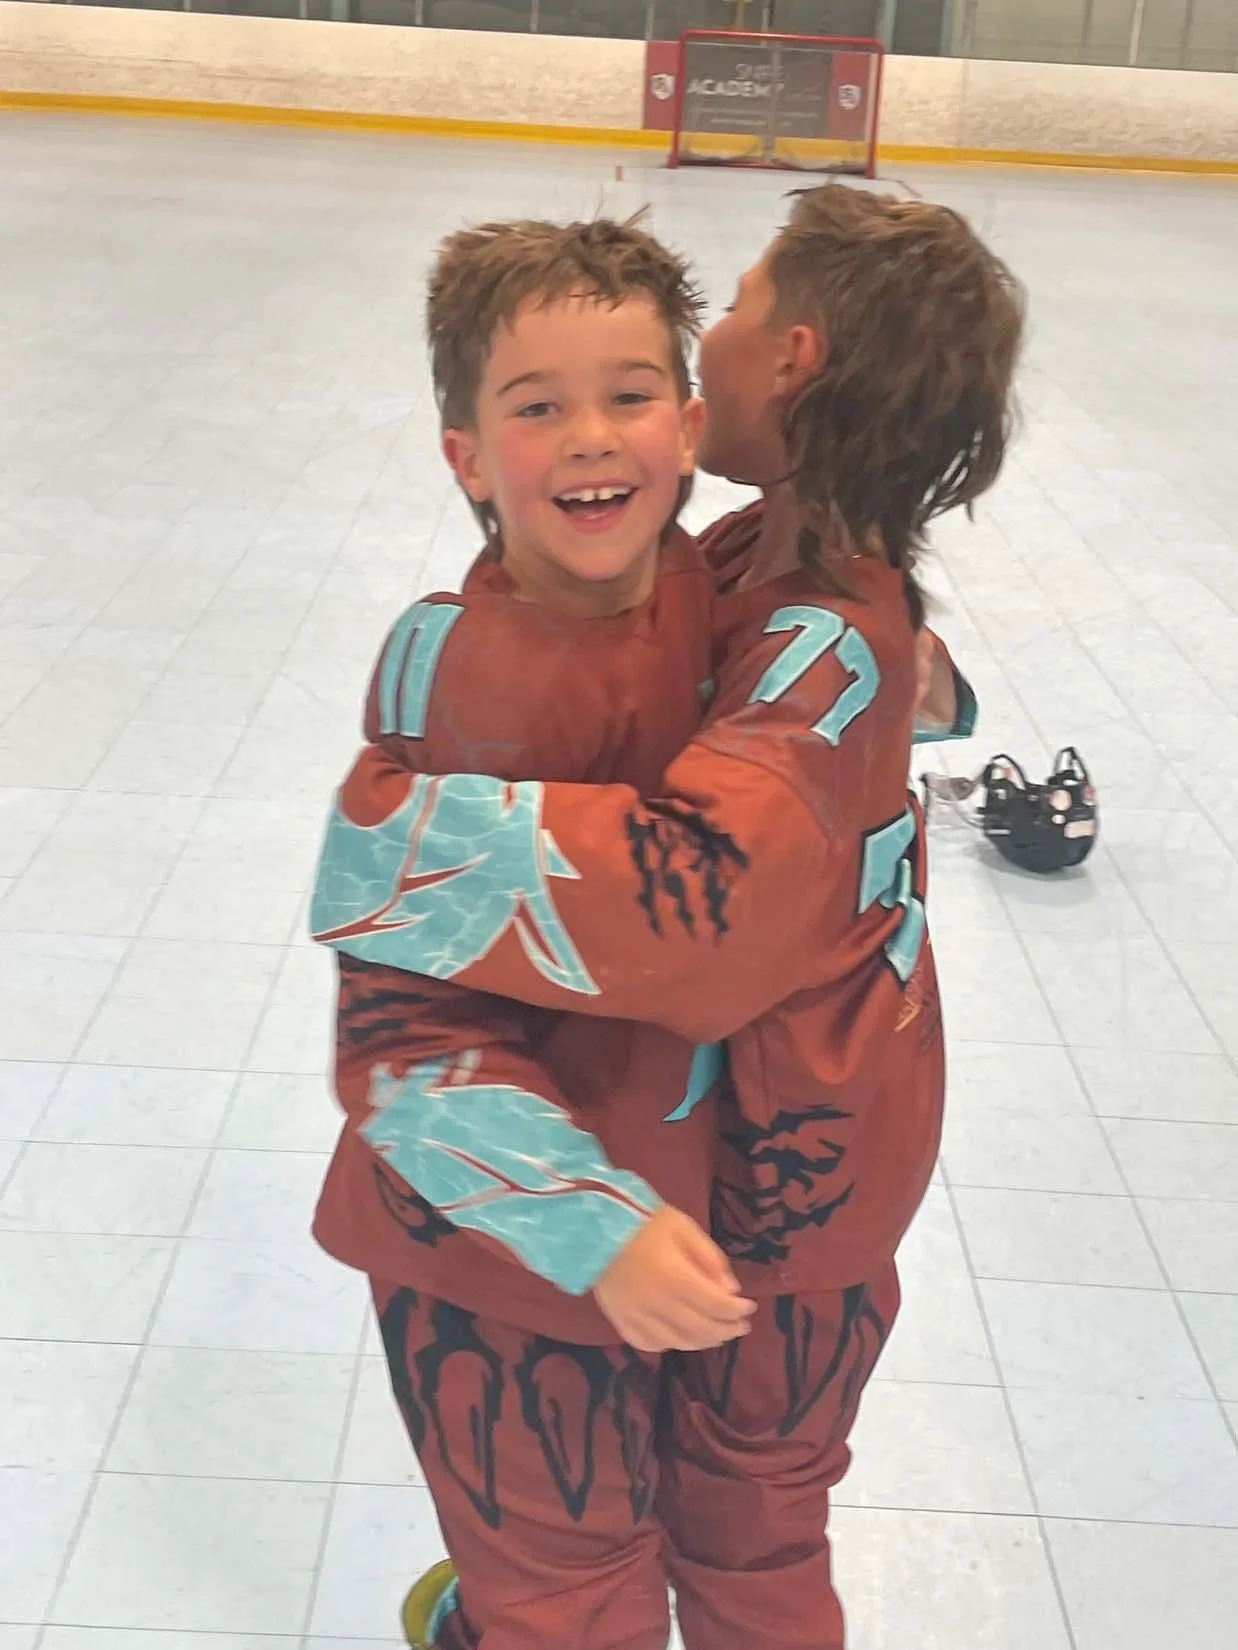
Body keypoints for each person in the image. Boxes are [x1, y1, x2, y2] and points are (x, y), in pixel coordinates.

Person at [313, 184, 1023, 1650]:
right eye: (540, 406)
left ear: (711, 414)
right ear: (467, 454)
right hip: (561, 1253)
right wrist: (587, 1219)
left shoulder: (776, 601)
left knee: (702, 1547)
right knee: (631, 1565)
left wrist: (392, 844)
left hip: (744, 1207)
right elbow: (399, 1044)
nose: (599, 431)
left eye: (643, 386)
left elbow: (704, 910)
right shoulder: (710, 592)